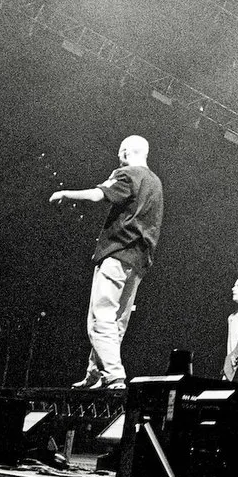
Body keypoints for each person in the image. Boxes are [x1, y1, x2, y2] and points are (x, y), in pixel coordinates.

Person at [49, 135, 163, 390]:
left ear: (125, 151)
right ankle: (96, 373)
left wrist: (66, 193)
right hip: (139, 260)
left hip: (117, 253)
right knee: (117, 321)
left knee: (100, 318)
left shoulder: (127, 174)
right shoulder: (156, 182)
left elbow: (97, 195)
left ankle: (114, 375)